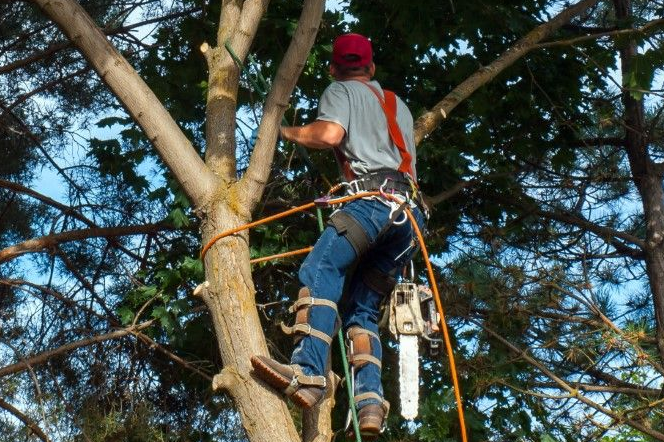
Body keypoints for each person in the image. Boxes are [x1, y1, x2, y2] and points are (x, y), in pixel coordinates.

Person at [250, 33, 426, 437]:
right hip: (410, 218)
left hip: (373, 203)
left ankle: (309, 372)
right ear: (372, 68)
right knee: (362, 310)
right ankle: (369, 404)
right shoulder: (398, 106)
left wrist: (288, 131)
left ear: (334, 68)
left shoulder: (339, 89)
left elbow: (329, 135)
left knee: (322, 268)